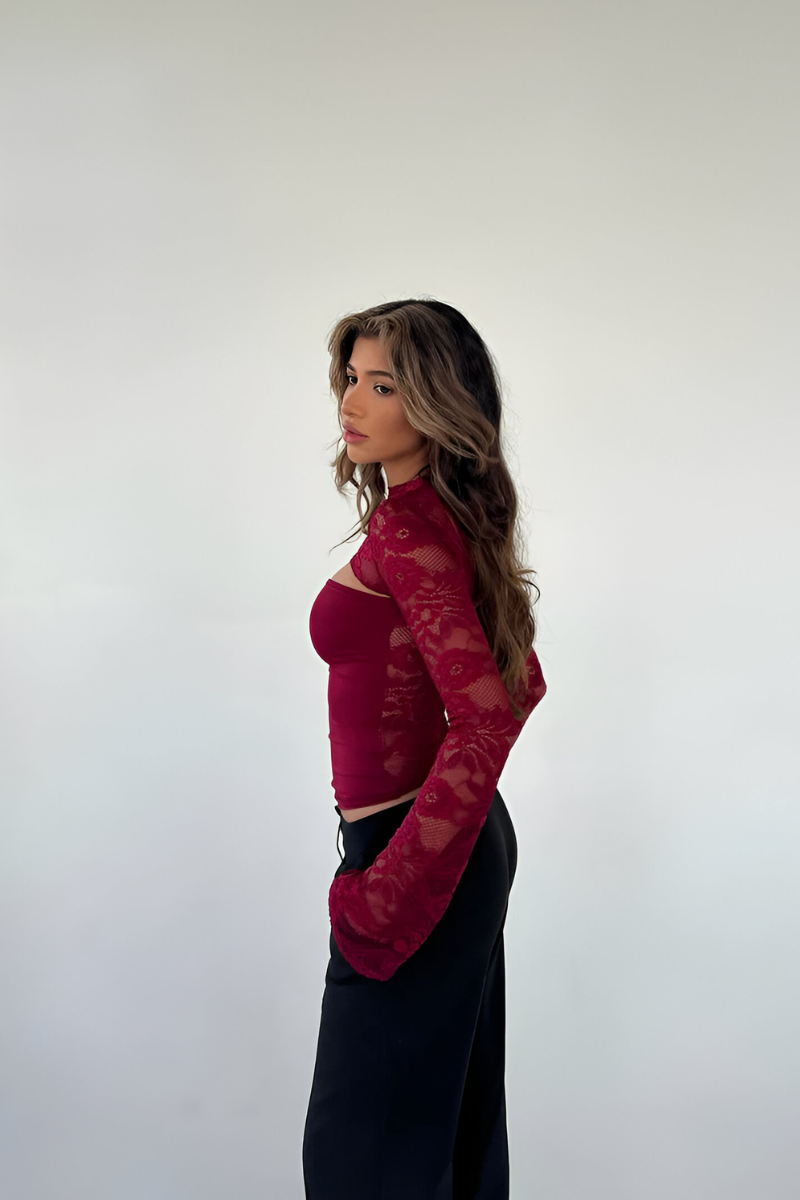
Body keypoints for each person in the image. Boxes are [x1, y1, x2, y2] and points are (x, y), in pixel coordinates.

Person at [303, 298, 548, 1199]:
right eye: (351, 378)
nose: (351, 402)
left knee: (365, 1160)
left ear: (438, 403)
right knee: (439, 1135)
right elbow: (519, 683)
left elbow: (490, 714)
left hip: (422, 849)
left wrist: (387, 889)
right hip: (450, 841)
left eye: (383, 386)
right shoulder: (425, 518)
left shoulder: (411, 533)